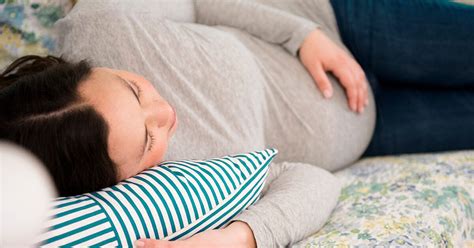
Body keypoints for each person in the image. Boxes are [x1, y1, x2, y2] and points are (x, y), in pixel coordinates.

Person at [1, 0, 473, 247]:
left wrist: (301, 35)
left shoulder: (103, 24)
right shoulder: (169, 192)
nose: (166, 113)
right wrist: (239, 238)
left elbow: (200, 0)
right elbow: (311, 180)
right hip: (375, 130)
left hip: (333, 24)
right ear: (114, 181)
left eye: (134, 88)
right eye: (148, 140)